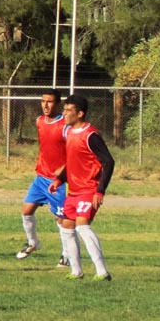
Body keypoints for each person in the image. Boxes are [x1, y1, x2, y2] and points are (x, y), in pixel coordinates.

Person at [49, 94, 115, 281]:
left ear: (80, 114)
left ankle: (102, 272)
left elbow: (108, 162)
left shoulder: (91, 135)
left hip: (89, 189)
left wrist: (100, 190)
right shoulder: (70, 132)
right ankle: (76, 271)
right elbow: (72, 162)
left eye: (68, 110)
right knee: (66, 227)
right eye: (64, 109)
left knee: (82, 226)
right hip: (73, 191)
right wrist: (59, 180)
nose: (64, 113)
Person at [16, 88, 69, 268]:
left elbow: (73, 150)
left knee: (61, 219)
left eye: (50, 101)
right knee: (26, 211)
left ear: (58, 104)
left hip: (58, 181)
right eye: (43, 101)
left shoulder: (65, 125)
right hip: (41, 177)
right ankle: (33, 243)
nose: (45, 105)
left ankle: (66, 255)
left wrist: (64, 168)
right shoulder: (39, 121)